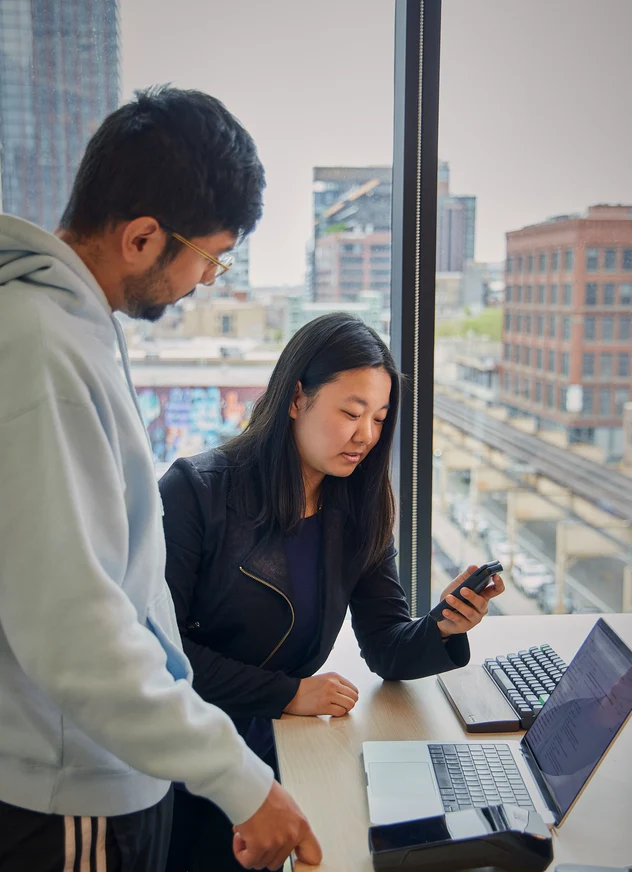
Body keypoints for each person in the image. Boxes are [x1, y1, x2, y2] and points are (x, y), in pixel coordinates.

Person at [0, 86, 320, 872]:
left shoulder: (71, 327)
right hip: (69, 789)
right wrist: (239, 778)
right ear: (143, 237)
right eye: (208, 259)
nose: (206, 281)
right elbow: (75, 628)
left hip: (102, 766)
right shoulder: (41, 346)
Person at [159, 312, 505, 871]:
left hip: (282, 748)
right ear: (297, 398)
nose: (366, 435)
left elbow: (386, 646)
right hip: (189, 759)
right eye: (350, 412)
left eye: (379, 418)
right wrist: (288, 693)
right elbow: (161, 655)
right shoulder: (195, 492)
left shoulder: (357, 507)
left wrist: (443, 625)